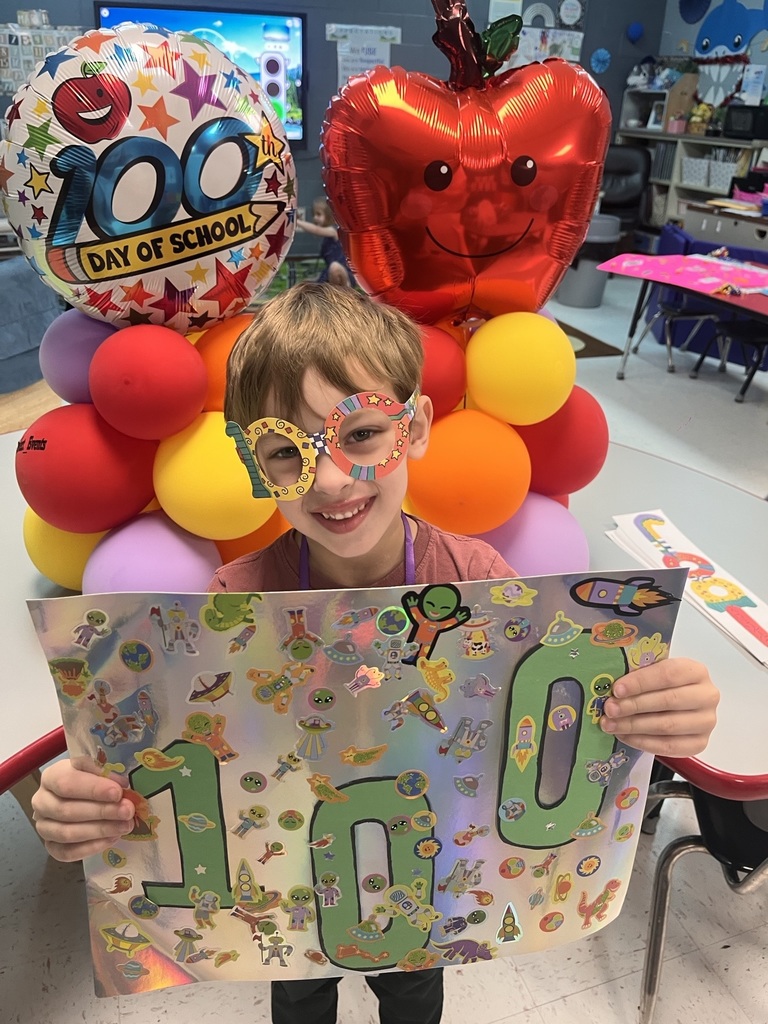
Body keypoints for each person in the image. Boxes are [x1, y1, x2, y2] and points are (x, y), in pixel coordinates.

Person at [31, 283, 719, 1024]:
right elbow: (175, 752)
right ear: (255, 466)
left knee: (414, 996)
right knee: (300, 999)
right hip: (295, 883)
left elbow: (558, 719)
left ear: (414, 427)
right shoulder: (235, 603)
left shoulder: (481, 585)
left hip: (426, 877)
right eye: (285, 452)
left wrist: (656, 710)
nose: (331, 480)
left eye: (359, 434)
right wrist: (90, 798)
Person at [295, 197, 354, 288]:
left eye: (318, 214)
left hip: (343, 273)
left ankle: (345, 288)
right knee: (304, 284)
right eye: (314, 214)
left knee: (335, 267)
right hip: (329, 272)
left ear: (328, 215)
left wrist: (296, 221)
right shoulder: (326, 238)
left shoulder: (334, 231)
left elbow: (316, 230)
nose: (315, 218)